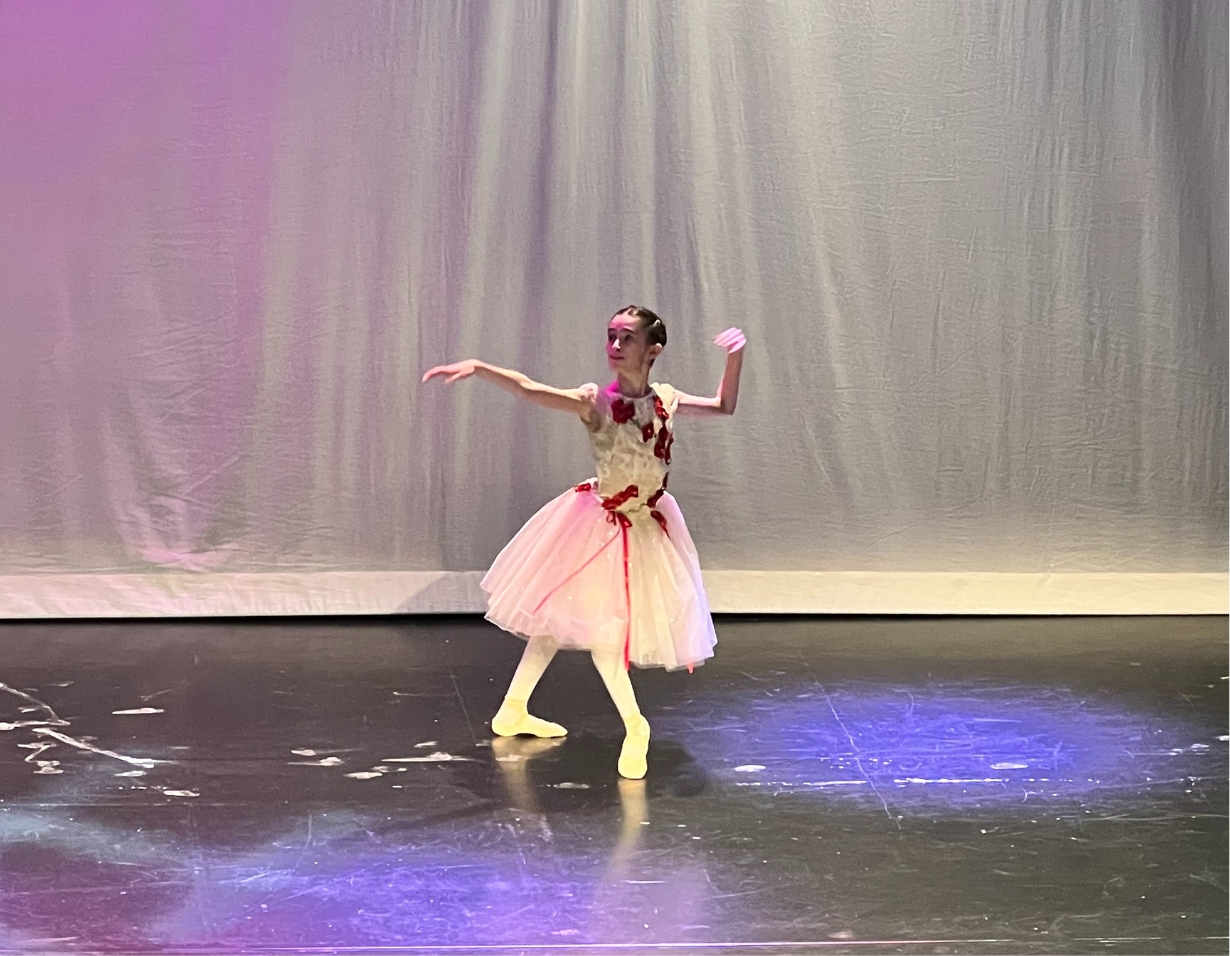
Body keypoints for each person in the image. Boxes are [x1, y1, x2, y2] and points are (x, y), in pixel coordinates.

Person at [422, 306, 745, 778]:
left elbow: (723, 406)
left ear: (653, 350)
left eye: (627, 338)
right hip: (601, 527)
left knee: (556, 624)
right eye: (611, 336)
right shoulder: (593, 401)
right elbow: (530, 389)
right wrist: (480, 368)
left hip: (647, 525)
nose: (615, 346)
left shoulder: (666, 400)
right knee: (602, 636)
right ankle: (636, 727)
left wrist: (734, 359)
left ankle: (513, 709)